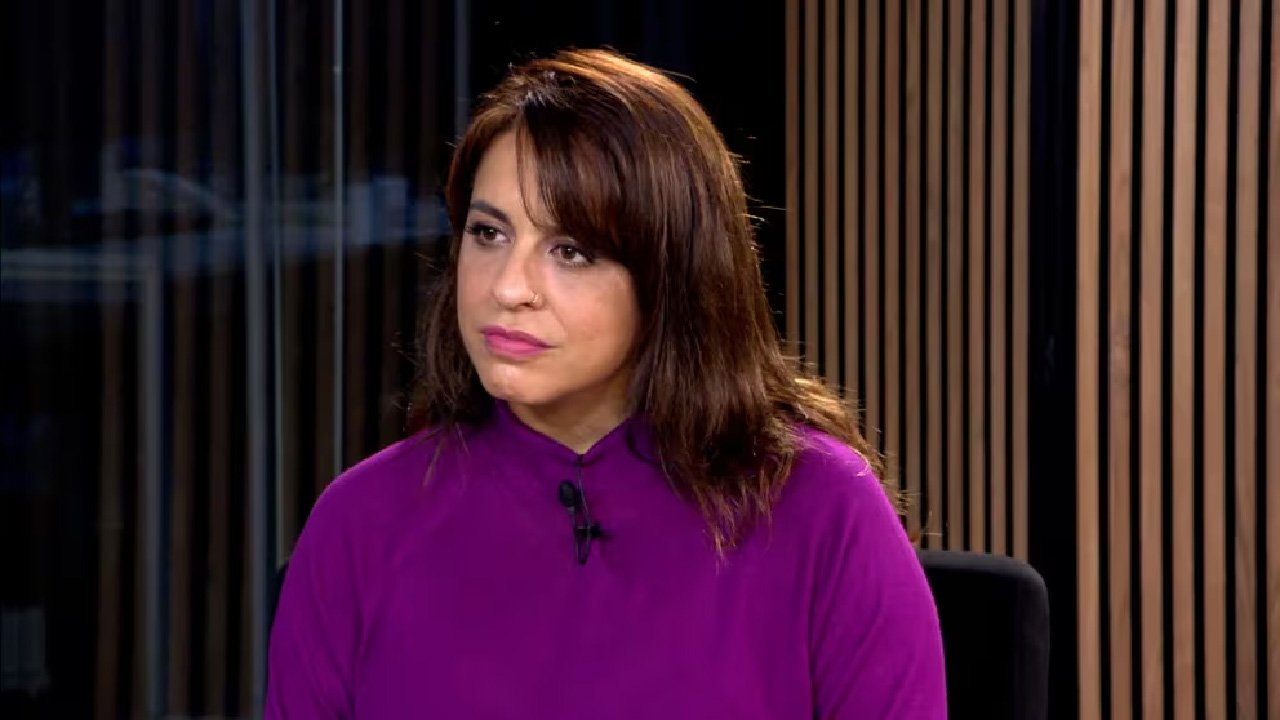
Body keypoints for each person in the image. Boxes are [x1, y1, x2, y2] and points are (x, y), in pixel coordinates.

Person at [266, 48, 946, 719]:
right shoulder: (360, 524)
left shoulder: (824, 512)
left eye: (571, 251)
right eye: (489, 233)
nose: (508, 288)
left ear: (669, 278)